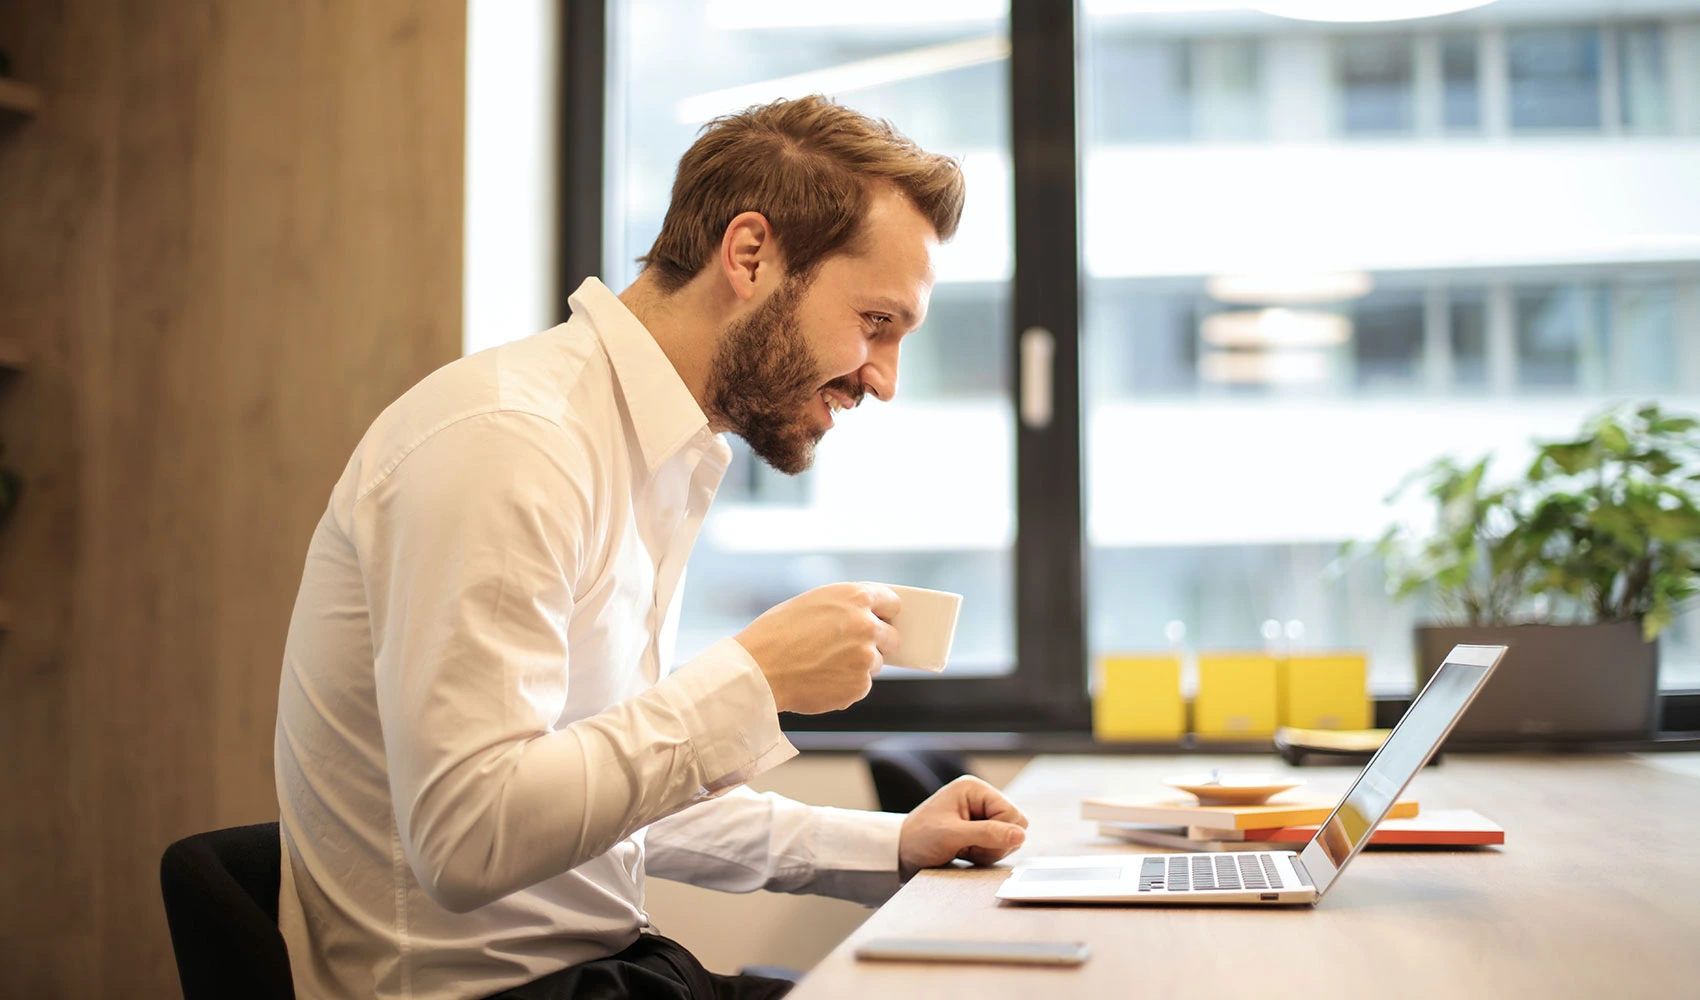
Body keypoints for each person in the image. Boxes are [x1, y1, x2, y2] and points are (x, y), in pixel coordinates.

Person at [274, 95, 1030, 1000]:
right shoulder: (512, 442)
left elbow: (605, 807)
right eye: (875, 322)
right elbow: (469, 837)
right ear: (749, 256)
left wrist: (891, 844)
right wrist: (752, 680)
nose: (885, 379)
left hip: (607, 971)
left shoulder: (656, 453)